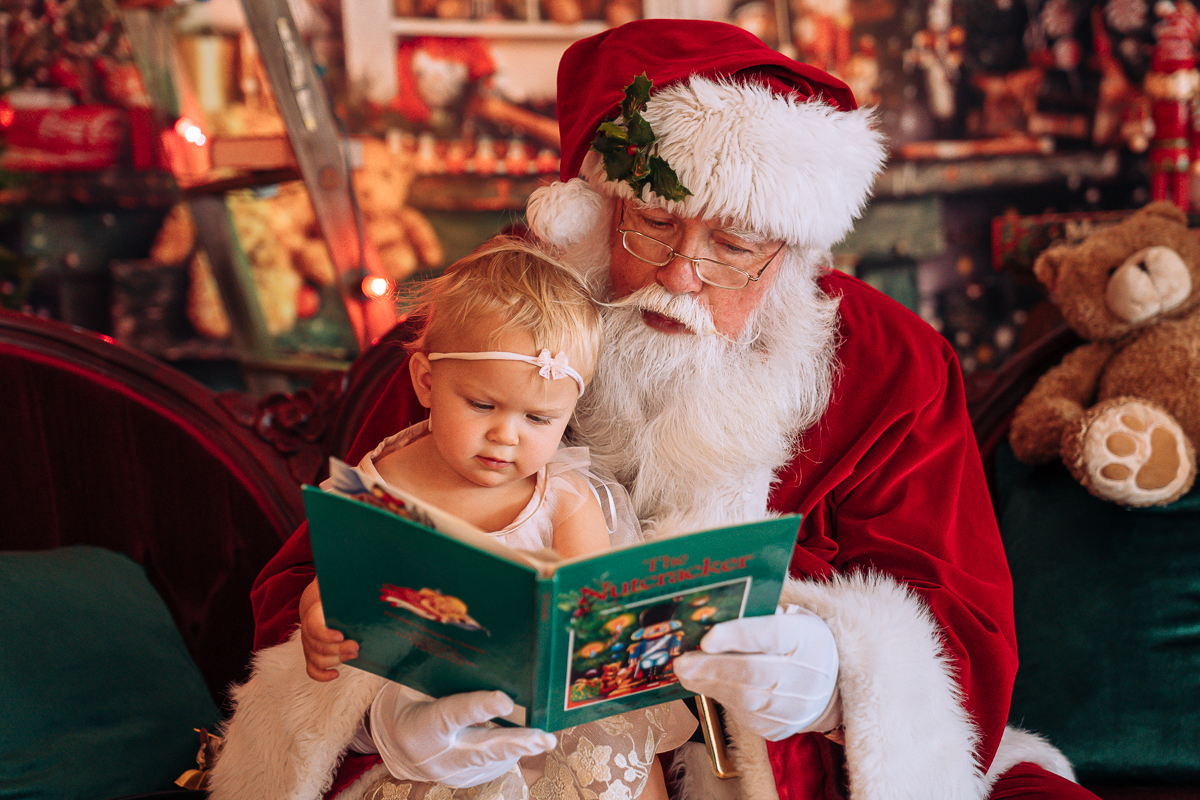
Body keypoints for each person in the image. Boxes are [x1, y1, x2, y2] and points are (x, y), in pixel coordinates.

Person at [210, 18, 1099, 800]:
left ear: (788, 255)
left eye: (734, 245)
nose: (682, 275)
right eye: (654, 226)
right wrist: (392, 714)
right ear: (597, 212)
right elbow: (318, 584)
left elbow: (962, 623)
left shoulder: (890, 363)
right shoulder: (505, 319)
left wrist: (834, 676)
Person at [210, 237, 696, 800]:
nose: (505, 435)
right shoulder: (383, 485)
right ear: (425, 382)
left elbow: (594, 606)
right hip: (426, 712)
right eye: (482, 405)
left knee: (619, 770)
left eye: (539, 418)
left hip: (546, 717)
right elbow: (339, 584)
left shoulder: (563, 495)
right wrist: (319, 620)